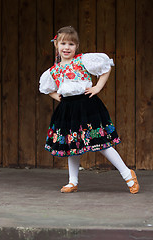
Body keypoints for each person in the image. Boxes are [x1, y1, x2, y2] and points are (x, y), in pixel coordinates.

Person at [39, 26, 139, 194]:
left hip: (87, 106)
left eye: (71, 44)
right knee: (73, 144)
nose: (67, 47)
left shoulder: (82, 60)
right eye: (63, 43)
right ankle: (73, 182)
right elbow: (47, 88)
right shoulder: (53, 71)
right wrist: (58, 97)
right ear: (56, 45)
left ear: (76, 46)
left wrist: (98, 87)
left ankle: (127, 174)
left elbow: (106, 67)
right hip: (68, 109)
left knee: (100, 142)